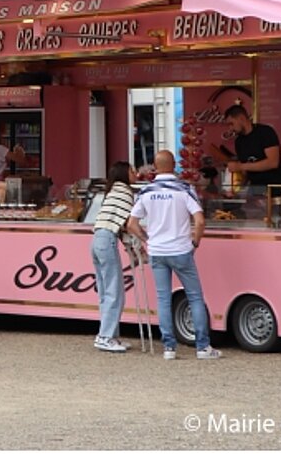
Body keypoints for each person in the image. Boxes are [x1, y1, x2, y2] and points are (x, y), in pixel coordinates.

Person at [125, 150, 220, 361]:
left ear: (154, 167)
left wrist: (146, 239)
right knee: (194, 297)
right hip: (181, 249)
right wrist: (195, 241)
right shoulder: (184, 189)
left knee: (163, 299)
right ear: (174, 165)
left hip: (157, 251)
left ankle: (169, 347)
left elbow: (131, 224)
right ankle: (203, 347)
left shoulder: (146, 192)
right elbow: (200, 221)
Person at [91, 161, 136, 353]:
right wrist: (138, 244)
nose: (135, 173)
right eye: (132, 170)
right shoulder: (126, 192)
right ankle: (105, 337)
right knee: (115, 292)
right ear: (125, 174)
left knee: (106, 291)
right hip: (108, 240)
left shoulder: (111, 192)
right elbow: (128, 224)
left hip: (97, 240)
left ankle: (110, 334)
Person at [217, 105, 281, 192]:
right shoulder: (239, 141)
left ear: (241, 118)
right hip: (256, 190)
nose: (230, 128)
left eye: (231, 124)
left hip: (276, 188)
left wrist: (240, 166)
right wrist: (234, 188)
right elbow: (245, 171)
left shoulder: (265, 132)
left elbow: (273, 162)